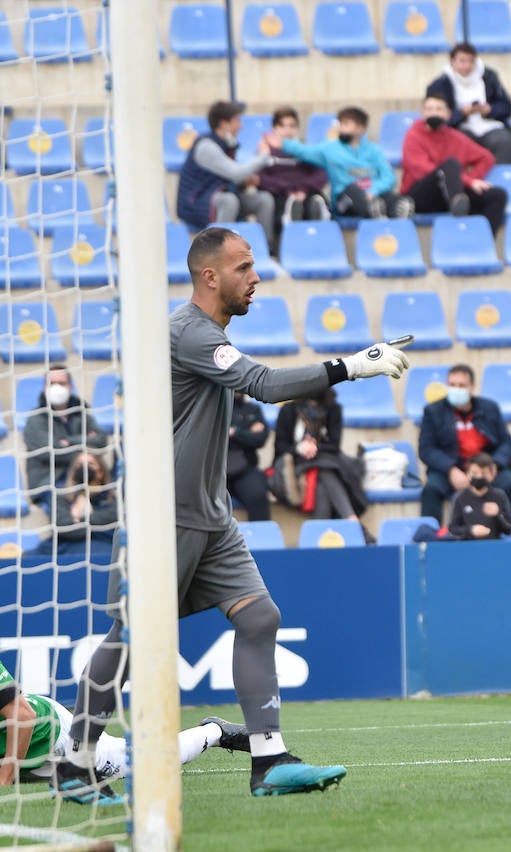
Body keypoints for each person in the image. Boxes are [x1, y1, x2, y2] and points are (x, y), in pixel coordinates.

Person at [54, 226, 411, 803]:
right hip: (164, 517)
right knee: (132, 636)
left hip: (210, 516)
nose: (256, 277)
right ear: (210, 275)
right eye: (244, 267)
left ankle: (268, 759)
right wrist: (352, 365)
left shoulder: (207, 334)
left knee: (259, 618)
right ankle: (75, 760)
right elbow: (265, 386)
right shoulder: (188, 332)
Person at [1, 657, 251, 793]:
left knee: (147, 761)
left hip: (51, 734)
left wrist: (6, 776)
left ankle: (214, 731)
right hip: (19, 747)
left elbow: (23, 716)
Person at [417, 364, 511, 530]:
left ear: (472, 387)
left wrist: (493, 465)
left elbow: (507, 443)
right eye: (452, 385)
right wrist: (451, 469)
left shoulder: (489, 408)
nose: (456, 389)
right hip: (451, 469)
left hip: (486, 466)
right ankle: (429, 542)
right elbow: (426, 449)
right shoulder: (433, 411)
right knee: (431, 490)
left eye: (461, 385)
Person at [271, 106, 413, 219]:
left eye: (346, 124)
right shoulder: (329, 148)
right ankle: (373, 210)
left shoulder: (374, 150)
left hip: (372, 195)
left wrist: (373, 191)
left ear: (360, 128)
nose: (340, 128)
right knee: (352, 190)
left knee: (393, 199)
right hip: (344, 202)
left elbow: (389, 177)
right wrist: (283, 143)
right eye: (340, 124)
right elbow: (304, 151)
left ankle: (395, 214)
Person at [175, 100, 278, 250]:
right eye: (237, 120)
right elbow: (236, 173)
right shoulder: (206, 147)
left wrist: (244, 182)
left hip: (216, 196)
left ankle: (265, 250)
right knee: (229, 201)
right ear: (224, 124)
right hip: (195, 204)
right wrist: (264, 155)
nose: (241, 125)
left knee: (264, 200)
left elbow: (227, 178)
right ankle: (220, 251)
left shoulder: (227, 143)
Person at [401, 94, 509, 233]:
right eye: (429, 109)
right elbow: (422, 170)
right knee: (451, 165)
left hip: (450, 194)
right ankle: (457, 202)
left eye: (439, 109)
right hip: (421, 196)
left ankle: (481, 246)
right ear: (423, 113)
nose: (434, 112)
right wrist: (469, 182)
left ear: (448, 114)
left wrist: (471, 179)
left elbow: (487, 158)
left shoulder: (455, 137)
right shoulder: (413, 136)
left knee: (498, 196)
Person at [23, 365, 109, 517]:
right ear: (44, 387)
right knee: (69, 520)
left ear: (71, 386)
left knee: (108, 502)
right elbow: (51, 452)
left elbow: (101, 440)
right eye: (52, 383)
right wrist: (84, 447)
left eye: (61, 383)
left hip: (84, 476)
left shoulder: (81, 413)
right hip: (50, 481)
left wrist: (68, 441)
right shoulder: (35, 420)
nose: (56, 388)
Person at [273, 390, 369, 525]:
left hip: (325, 458)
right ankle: (351, 520)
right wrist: (299, 448)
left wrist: (314, 448)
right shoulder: (289, 409)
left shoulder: (334, 409)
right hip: (296, 462)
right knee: (326, 470)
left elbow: (334, 445)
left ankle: (320, 535)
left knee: (322, 482)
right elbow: (280, 446)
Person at [425, 41, 511, 164]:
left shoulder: (489, 77)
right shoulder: (440, 84)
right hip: (460, 128)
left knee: (504, 139)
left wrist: (490, 109)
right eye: (462, 61)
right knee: (458, 140)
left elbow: (507, 107)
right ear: (452, 62)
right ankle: (465, 180)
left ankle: (499, 179)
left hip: (489, 126)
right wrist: (462, 113)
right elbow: (437, 118)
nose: (467, 66)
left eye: (471, 61)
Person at [254, 107, 331, 236]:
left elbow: (322, 174)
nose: (287, 130)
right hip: (281, 195)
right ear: (274, 129)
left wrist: (303, 190)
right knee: (284, 204)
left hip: (305, 194)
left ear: (297, 129)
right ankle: (290, 219)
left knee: (314, 201)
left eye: (291, 126)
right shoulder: (265, 152)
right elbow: (261, 179)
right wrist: (289, 190)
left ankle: (319, 219)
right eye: (282, 126)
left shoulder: (304, 151)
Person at [45, 453, 118, 559]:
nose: (85, 468)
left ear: (101, 471)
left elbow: (110, 520)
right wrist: (93, 525)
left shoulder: (113, 499)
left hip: (103, 548)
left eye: (91, 464)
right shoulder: (61, 498)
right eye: (80, 465)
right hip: (65, 549)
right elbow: (62, 527)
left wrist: (77, 519)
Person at [440, 452, 511, 541]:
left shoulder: (499, 496)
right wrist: (471, 531)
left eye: (483, 473)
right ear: (467, 474)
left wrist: (497, 515)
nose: (479, 477)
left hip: (493, 547)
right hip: (468, 548)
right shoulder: (460, 497)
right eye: (474, 473)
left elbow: (509, 529)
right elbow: (453, 530)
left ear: (492, 475)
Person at [226, 391, 271, 523]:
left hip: (245, 469)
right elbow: (211, 438)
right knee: (209, 500)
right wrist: (246, 433)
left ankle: (262, 541)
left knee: (258, 496)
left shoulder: (253, 409)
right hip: (216, 472)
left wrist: (234, 432)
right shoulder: (212, 407)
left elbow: (260, 439)